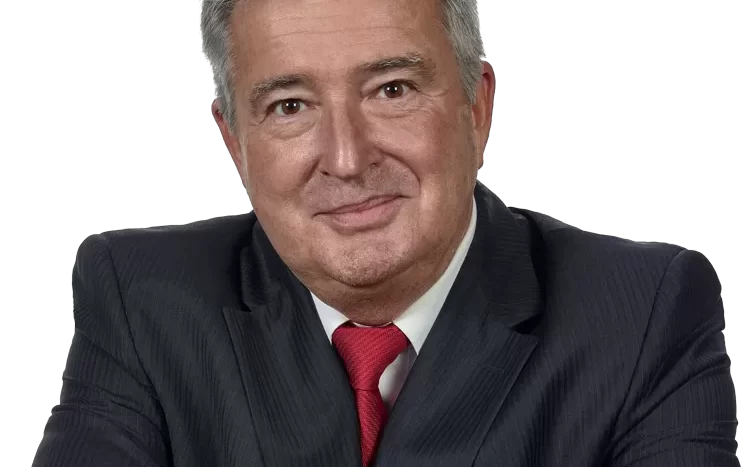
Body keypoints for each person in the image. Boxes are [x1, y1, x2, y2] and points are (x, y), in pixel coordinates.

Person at [33, 0, 739, 465]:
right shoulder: (141, 299)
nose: (346, 157)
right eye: (289, 105)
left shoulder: (643, 313)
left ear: (477, 107)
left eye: (391, 89)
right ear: (235, 142)